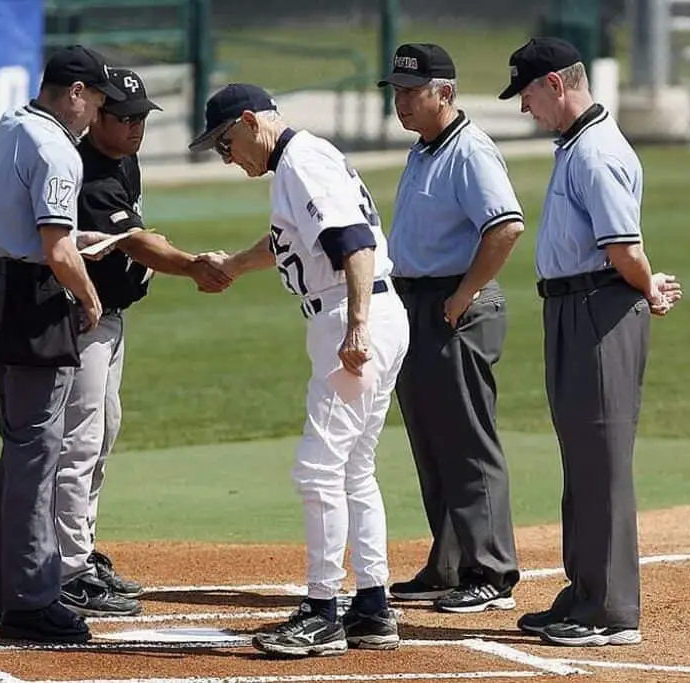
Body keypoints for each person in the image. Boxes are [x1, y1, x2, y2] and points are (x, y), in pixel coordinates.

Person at [188, 83, 410, 658]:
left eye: (225, 142)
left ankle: (321, 611)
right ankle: (371, 606)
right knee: (354, 469)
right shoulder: (305, 158)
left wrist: (356, 326)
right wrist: (235, 265)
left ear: (248, 121)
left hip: (351, 313)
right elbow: (293, 240)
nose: (225, 155)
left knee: (319, 470)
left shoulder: (302, 163)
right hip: (367, 312)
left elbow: (354, 246)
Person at [499, 37, 683, 647]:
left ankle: (610, 610)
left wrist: (646, 283)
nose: (524, 108)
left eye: (526, 93)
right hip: (575, 309)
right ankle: (582, 593)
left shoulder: (597, 151)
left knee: (601, 462)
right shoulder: (576, 145)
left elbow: (623, 248)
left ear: (554, 84)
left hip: (599, 309)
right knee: (581, 460)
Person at [56, 67, 232, 617]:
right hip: (81, 320)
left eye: (141, 118)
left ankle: (78, 551)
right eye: (125, 118)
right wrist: (191, 266)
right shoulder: (84, 170)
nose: (136, 127)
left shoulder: (124, 160)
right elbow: (135, 242)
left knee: (101, 435)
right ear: (97, 116)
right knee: (78, 444)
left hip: (111, 320)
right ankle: (64, 568)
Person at [0, 45, 126, 643]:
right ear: (78, 94)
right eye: (98, 103)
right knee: (39, 452)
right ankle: (31, 600)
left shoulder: (10, 126)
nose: (97, 117)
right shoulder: (58, 147)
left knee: (18, 447)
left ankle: (0, 592)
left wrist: (58, 244)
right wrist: (88, 298)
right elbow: (58, 252)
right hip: (34, 303)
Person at [376, 43, 524, 614]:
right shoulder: (425, 151)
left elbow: (505, 226)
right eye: (397, 92)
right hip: (418, 306)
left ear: (446, 92)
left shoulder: (470, 152)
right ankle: (448, 564)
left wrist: (463, 296)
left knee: (466, 442)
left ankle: (490, 570)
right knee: (432, 441)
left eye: (412, 92)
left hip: (454, 305)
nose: (402, 103)